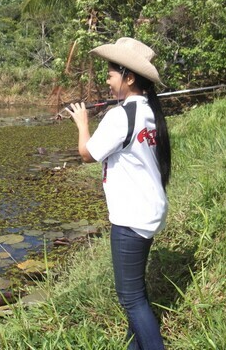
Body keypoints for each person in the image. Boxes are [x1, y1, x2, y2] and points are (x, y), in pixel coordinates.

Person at [67, 37, 171, 350]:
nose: (107, 80)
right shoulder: (149, 113)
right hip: (151, 209)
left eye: (111, 74)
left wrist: (82, 123)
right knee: (135, 291)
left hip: (132, 216)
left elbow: (87, 154)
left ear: (129, 77)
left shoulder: (120, 116)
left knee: (131, 299)